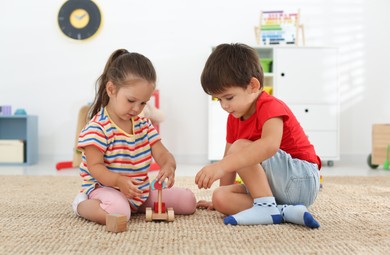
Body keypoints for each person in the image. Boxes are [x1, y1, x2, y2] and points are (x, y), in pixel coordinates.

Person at [195, 43, 321, 228]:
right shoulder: (234, 117)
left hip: (301, 179)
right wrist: (219, 196)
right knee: (221, 198)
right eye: (218, 99)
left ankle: (265, 206)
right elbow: (229, 160)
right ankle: (284, 211)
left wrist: (220, 166)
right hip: (273, 187)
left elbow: (269, 146)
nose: (224, 106)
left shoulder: (270, 106)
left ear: (253, 85)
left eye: (228, 98)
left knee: (239, 148)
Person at [72, 49, 196, 225]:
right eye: (131, 101)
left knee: (188, 202)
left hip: (139, 191)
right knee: (119, 213)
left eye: (143, 103)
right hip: (106, 189)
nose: (137, 109)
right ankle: (81, 205)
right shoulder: (97, 128)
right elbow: (95, 167)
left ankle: (131, 206)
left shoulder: (143, 124)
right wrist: (118, 181)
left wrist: (169, 165)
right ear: (111, 89)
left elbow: (161, 152)